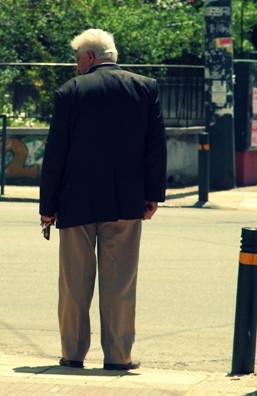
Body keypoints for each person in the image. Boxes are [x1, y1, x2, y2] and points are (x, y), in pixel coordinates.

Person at [39, 28, 167, 372]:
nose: (76, 66)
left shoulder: (70, 91)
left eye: (78, 59)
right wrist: (152, 195)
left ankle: (73, 353)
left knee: (74, 283)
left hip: (75, 201)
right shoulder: (145, 88)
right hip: (126, 201)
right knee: (121, 281)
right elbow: (155, 147)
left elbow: (56, 153)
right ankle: (118, 356)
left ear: (91, 57)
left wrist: (47, 207)